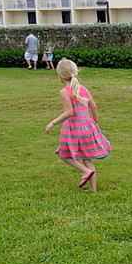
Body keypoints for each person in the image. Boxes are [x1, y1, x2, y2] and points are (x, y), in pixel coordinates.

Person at [45, 58, 111, 192]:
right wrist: (95, 124)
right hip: (87, 126)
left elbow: (69, 112)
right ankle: (93, 188)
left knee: (64, 154)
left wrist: (53, 122)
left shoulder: (64, 92)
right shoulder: (83, 88)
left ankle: (85, 171)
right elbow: (94, 107)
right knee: (87, 157)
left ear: (60, 75)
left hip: (73, 129)